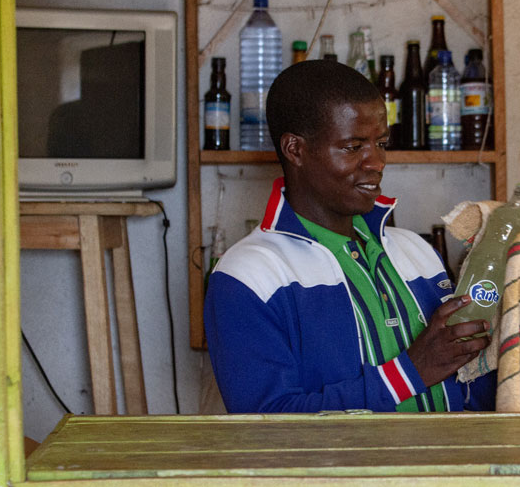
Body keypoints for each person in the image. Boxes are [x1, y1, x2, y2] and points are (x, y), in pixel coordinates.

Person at [204, 60, 495, 413]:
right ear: (295, 150)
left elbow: (470, 387)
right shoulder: (249, 275)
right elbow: (265, 424)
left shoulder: (417, 253)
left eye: (381, 143)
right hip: (341, 472)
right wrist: (410, 372)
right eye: (353, 147)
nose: (376, 162)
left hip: (450, 468)